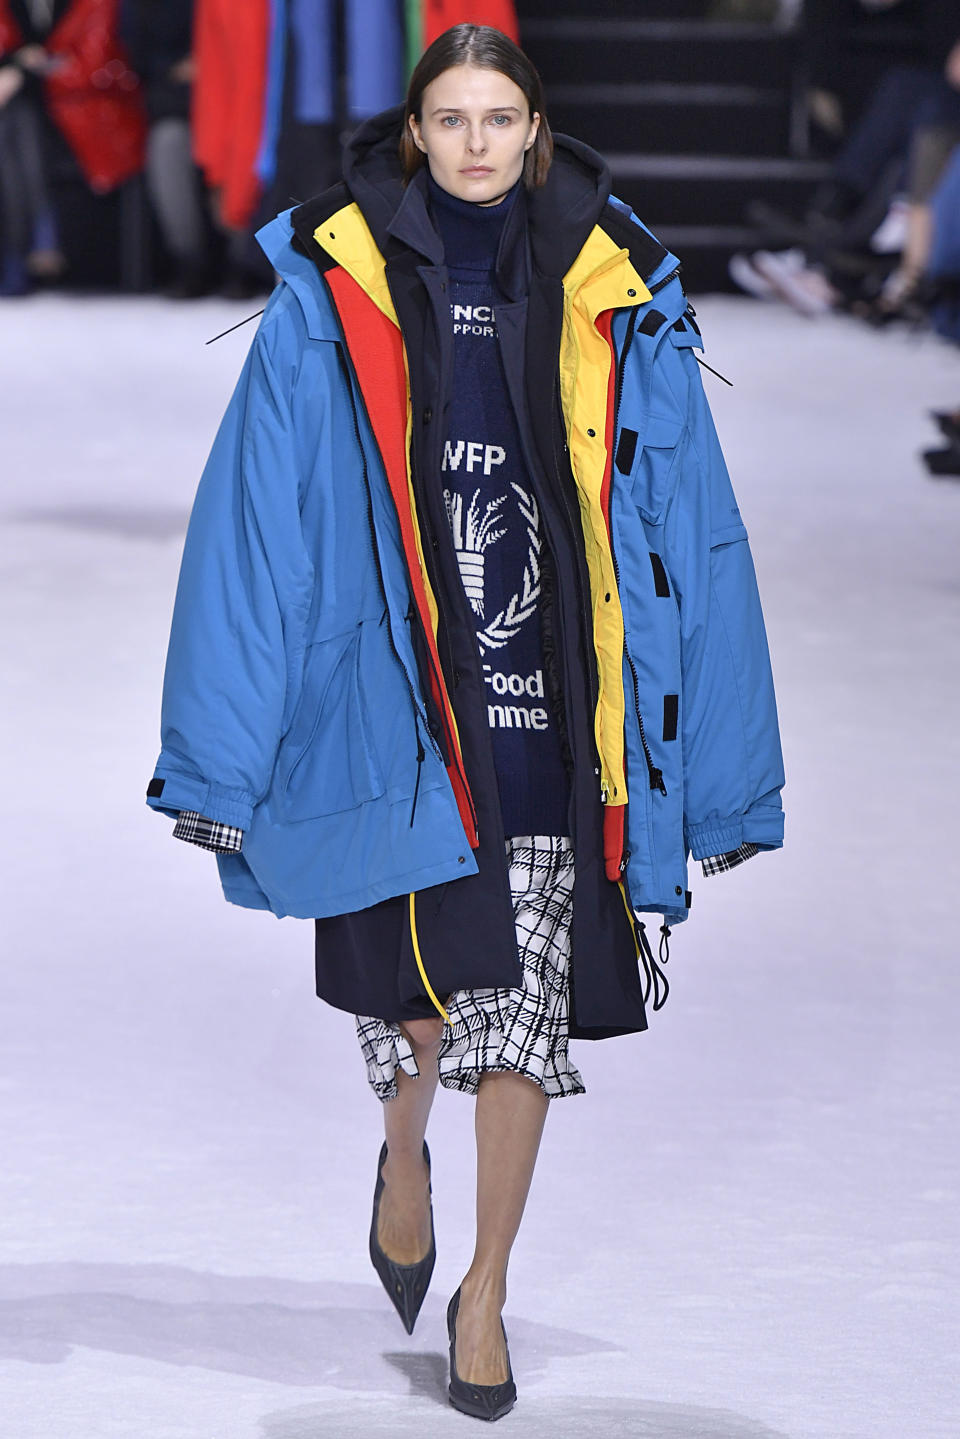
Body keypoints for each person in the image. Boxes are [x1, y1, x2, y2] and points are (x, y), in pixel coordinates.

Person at [146, 24, 785, 1422]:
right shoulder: (334, 289)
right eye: (452, 118)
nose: (480, 142)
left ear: (535, 131)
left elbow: (694, 531)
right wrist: (219, 757)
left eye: (502, 116)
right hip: (400, 702)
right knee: (420, 1010)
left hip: (557, 709)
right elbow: (257, 526)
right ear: (417, 134)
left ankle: (484, 1289)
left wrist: (722, 781)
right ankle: (401, 1152)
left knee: (521, 1018)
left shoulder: (617, 284)